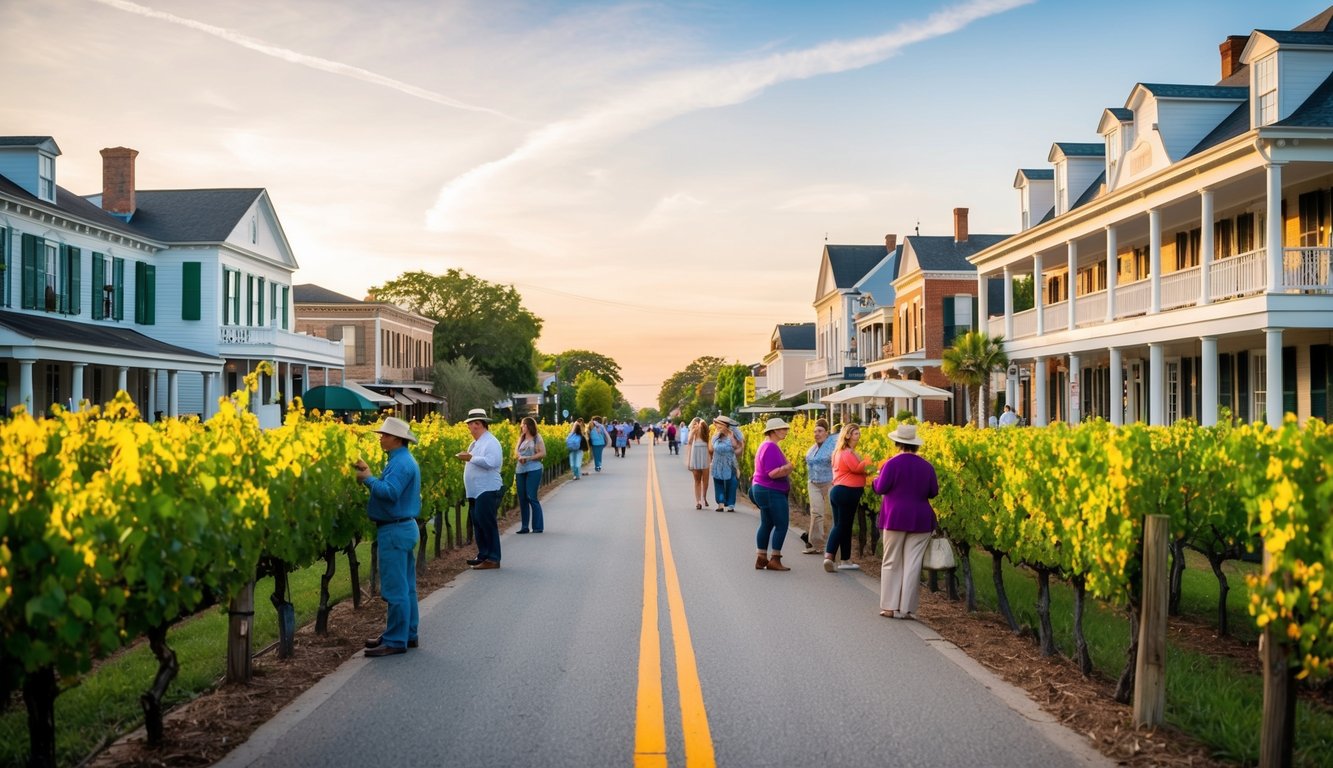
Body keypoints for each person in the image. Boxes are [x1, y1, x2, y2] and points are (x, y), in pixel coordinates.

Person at [355, 417, 421, 656]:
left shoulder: (401, 463)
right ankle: (408, 633)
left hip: (395, 529)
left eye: (384, 435)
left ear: (396, 438)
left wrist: (367, 479)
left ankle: (395, 640)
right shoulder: (400, 460)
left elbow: (390, 493)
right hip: (403, 528)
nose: (380, 438)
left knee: (395, 588)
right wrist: (370, 476)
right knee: (407, 587)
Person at [872, 423, 938, 619]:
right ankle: (907, 608)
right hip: (921, 518)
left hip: (895, 517)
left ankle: (889, 607)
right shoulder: (927, 466)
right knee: (913, 563)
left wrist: (875, 480)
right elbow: (933, 492)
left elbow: (881, 488)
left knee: (891, 560)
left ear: (897, 443)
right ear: (916, 445)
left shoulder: (890, 464)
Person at [824, 423, 877, 573]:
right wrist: (868, 462)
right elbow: (857, 468)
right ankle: (829, 556)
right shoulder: (847, 453)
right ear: (847, 435)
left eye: (859, 433)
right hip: (847, 492)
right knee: (841, 526)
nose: (858, 436)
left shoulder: (839, 452)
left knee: (844, 526)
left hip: (838, 491)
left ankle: (845, 559)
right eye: (855, 433)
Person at [458, 408, 503, 570]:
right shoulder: (476, 443)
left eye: (470, 424)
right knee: (478, 523)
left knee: (487, 523)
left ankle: (493, 558)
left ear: (478, 424)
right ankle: (483, 555)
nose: (469, 428)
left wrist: (471, 458)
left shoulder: (491, 442)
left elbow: (493, 462)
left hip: (487, 489)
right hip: (476, 491)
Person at [752, 418, 795, 571]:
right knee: (781, 525)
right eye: (783, 429)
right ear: (775, 431)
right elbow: (772, 473)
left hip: (762, 489)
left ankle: (761, 557)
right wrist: (789, 467)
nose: (786, 432)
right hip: (771, 490)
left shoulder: (765, 445)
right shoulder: (771, 447)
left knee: (767, 523)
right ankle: (775, 559)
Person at [801, 418, 835, 555]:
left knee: (829, 514)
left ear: (826, 433)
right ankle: (815, 544)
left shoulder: (832, 445)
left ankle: (831, 545)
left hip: (829, 482)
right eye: (815, 431)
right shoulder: (813, 448)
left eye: (820, 431)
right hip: (813, 482)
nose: (817, 434)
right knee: (816, 513)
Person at [514, 417, 546, 533]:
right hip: (520, 470)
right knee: (522, 498)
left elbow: (543, 453)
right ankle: (524, 526)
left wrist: (529, 458)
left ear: (528, 426)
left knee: (531, 496)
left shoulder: (537, 437)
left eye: (523, 425)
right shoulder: (521, 438)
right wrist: (519, 457)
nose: (521, 427)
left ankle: (538, 526)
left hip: (534, 469)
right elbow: (516, 451)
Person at [709, 416, 742, 512]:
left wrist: (732, 439)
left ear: (726, 426)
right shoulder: (716, 436)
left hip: (729, 463)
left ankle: (731, 504)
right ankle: (720, 504)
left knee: (732, 483)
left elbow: (737, 447)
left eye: (719, 426)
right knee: (718, 483)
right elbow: (711, 449)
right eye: (717, 426)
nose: (717, 428)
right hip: (717, 463)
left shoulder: (733, 435)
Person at [685, 418, 711, 508]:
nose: (697, 425)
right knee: (697, 480)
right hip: (695, 457)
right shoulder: (693, 433)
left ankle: (704, 497)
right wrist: (693, 431)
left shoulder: (705, 433)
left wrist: (702, 427)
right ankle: (698, 501)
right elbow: (689, 442)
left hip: (705, 457)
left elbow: (709, 445)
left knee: (705, 480)